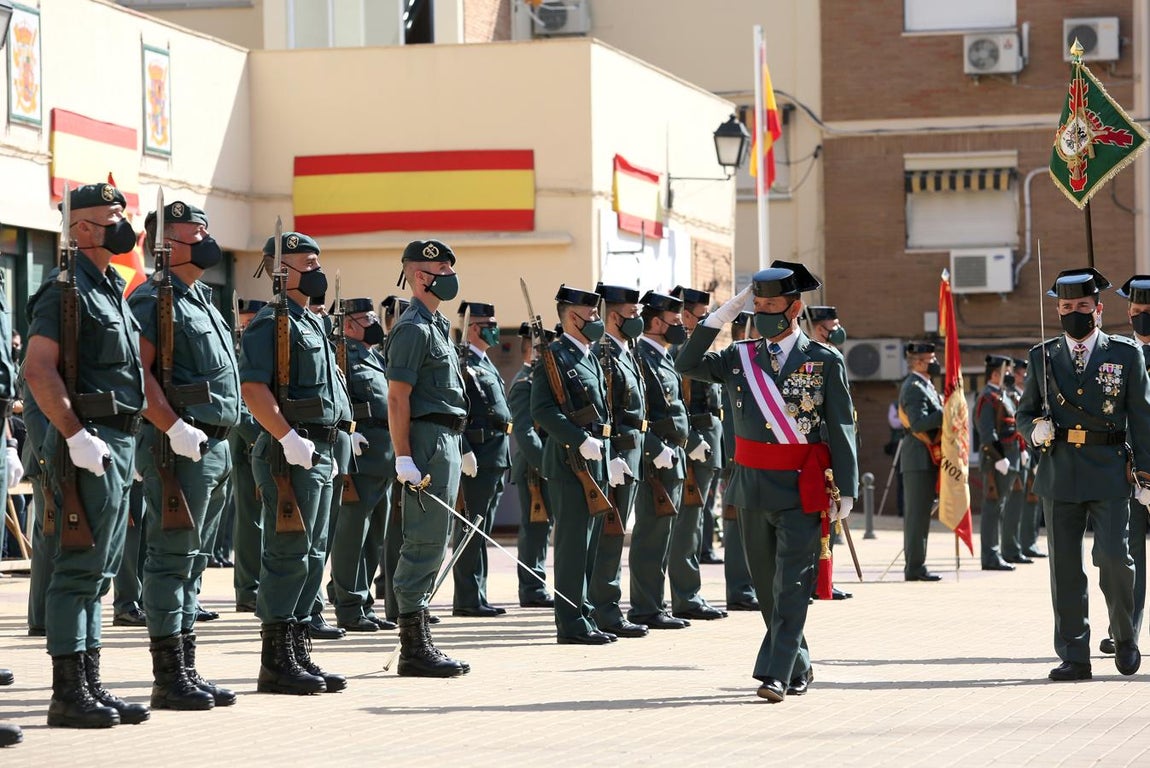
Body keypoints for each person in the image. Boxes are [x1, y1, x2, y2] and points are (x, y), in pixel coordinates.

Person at [675, 261, 858, 702]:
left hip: (801, 487)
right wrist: (719, 318)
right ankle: (799, 664)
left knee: (791, 584)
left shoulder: (823, 360)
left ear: (794, 308)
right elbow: (686, 362)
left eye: (770, 307)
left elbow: (841, 427)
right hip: (751, 486)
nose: (762, 314)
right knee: (766, 589)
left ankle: (774, 674)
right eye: (756, 306)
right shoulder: (739, 357)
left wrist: (848, 490)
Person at [23, 182, 149, 728]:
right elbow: (38, 370)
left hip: (114, 441)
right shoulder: (64, 291)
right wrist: (75, 435)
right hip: (86, 442)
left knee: (99, 571)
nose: (123, 225)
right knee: (78, 568)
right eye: (111, 217)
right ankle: (67, 692)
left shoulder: (107, 287)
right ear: (81, 229)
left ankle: (91, 682)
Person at [130, 200, 239, 710]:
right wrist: (172, 427)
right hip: (178, 446)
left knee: (193, 564)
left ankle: (188, 667)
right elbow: (139, 374)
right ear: (165, 245)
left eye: (205, 231)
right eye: (194, 234)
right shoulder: (153, 299)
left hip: (213, 445)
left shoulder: (200, 299)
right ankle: (168, 675)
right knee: (171, 559)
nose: (205, 241)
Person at [1017, 267, 1150, 682]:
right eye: (1065, 307)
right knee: (1065, 570)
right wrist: (1032, 430)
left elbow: (1142, 418)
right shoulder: (1042, 355)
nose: (1073, 312)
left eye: (1081, 305)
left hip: (1109, 469)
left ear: (1098, 308)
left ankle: (1124, 635)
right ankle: (1074, 654)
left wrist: (1145, 475)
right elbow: (1025, 411)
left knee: (1114, 558)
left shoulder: (1125, 354)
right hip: (1059, 471)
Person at [240, 230, 351, 694]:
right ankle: (276, 660)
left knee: (312, 555)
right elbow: (253, 389)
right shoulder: (271, 323)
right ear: (282, 271)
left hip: (319, 451)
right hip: (290, 453)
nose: (316, 271)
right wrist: (286, 437)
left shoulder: (310, 323)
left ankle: (299, 649)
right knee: (288, 555)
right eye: (308, 264)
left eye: (317, 263)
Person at [384, 239, 470, 676]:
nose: (451, 277)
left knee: (436, 540)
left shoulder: (436, 325)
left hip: (446, 438)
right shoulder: (413, 328)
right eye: (444, 270)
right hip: (426, 441)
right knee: (423, 541)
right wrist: (404, 457)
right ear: (421, 276)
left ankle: (419, 639)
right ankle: (413, 647)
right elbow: (397, 398)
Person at [531, 284, 626, 644]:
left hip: (594, 460)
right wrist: (578, 439)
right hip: (570, 463)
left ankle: (584, 616)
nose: (597, 319)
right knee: (572, 548)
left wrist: (608, 452)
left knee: (588, 547)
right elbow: (542, 410)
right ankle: (570, 624)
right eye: (592, 314)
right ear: (573, 317)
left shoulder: (589, 356)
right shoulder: (554, 357)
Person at [327, 298, 396, 632]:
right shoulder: (341, 355)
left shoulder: (375, 357)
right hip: (359, 458)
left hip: (384, 456)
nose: (373, 323)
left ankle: (364, 602)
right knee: (352, 535)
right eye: (366, 318)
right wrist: (347, 431)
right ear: (348, 325)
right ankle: (349, 606)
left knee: (374, 538)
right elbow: (336, 399)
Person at [628, 291, 693, 631]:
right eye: (675, 322)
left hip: (674, 455)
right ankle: (645, 607)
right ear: (656, 322)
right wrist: (655, 448)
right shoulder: (641, 357)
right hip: (657, 460)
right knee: (651, 536)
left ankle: (655, 604)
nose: (681, 328)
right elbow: (636, 415)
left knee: (663, 535)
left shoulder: (663, 357)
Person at [587, 283, 649, 638]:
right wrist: (612, 456)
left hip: (631, 454)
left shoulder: (626, 351)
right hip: (618, 456)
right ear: (614, 316)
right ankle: (604, 610)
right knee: (609, 537)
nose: (638, 319)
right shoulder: (605, 354)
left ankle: (607, 607)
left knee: (615, 534)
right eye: (632, 314)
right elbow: (605, 413)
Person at [666, 285, 728, 620]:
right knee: (687, 524)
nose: (707, 322)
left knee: (696, 521)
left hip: (710, 442)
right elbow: (678, 406)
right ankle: (686, 596)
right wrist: (690, 443)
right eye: (702, 317)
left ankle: (689, 593)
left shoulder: (700, 348)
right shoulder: (681, 352)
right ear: (686, 316)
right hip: (694, 444)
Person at [1099, 275, 1150, 658]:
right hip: (1129, 470)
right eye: (1135, 311)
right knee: (1126, 553)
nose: (1139, 317)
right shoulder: (1117, 356)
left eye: (1147, 311)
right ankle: (1125, 631)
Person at [452, 301, 512, 617]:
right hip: (478, 454)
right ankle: (467, 598)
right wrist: (463, 449)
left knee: (482, 530)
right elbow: (456, 411)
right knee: (470, 528)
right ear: (473, 328)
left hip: (495, 454)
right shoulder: (462, 363)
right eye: (489, 325)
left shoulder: (483, 362)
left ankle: (478, 594)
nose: (495, 329)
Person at [510, 323, 554, 609]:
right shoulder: (523, 383)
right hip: (534, 468)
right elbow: (525, 433)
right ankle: (532, 589)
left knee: (544, 529)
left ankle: (536, 586)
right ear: (533, 352)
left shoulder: (540, 381)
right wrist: (545, 465)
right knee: (535, 529)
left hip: (547, 464)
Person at [720, 311, 758, 612]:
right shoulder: (734, 365)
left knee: (752, 527)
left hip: (751, 457)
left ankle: (750, 587)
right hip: (737, 458)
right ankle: (740, 590)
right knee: (736, 527)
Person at [231, 298, 267, 613]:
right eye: (242, 322)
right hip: (248, 445)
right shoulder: (236, 353)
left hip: (270, 441)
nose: (245, 327)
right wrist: (260, 436)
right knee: (250, 521)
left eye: (250, 321)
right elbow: (238, 405)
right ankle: (248, 589)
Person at [898, 341, 943, 581]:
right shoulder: (914, 387)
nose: (935, 363)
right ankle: (914, 568)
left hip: (927, 458)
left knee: (922, 514)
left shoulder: (926, 385)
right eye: (931, 360)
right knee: (916, 516)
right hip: (917, 459)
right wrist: (947, 412)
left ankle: (918, 564)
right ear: (917, 362)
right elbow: (917, 424)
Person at [975, 354, 1021, 571]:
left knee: (999, 507)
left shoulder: (1003, 395)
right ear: (995, 374)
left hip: (1009, 458)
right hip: (997, 461)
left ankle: (996, 553)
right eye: (1006, 372)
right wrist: (999, 458)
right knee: (992, 508)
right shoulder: (987, 397)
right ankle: (990, 556)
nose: (1010, 376)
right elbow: (987, 433)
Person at [1009, 357, 1045, 560]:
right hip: (1019, 453)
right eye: (1022, 373)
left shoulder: (1029, 394)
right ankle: (1016, 545)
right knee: (1017, 503)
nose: (1025, 376)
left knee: (1033, 499)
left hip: (1034, 452)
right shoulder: (1009, 395)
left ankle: (1029, 542)